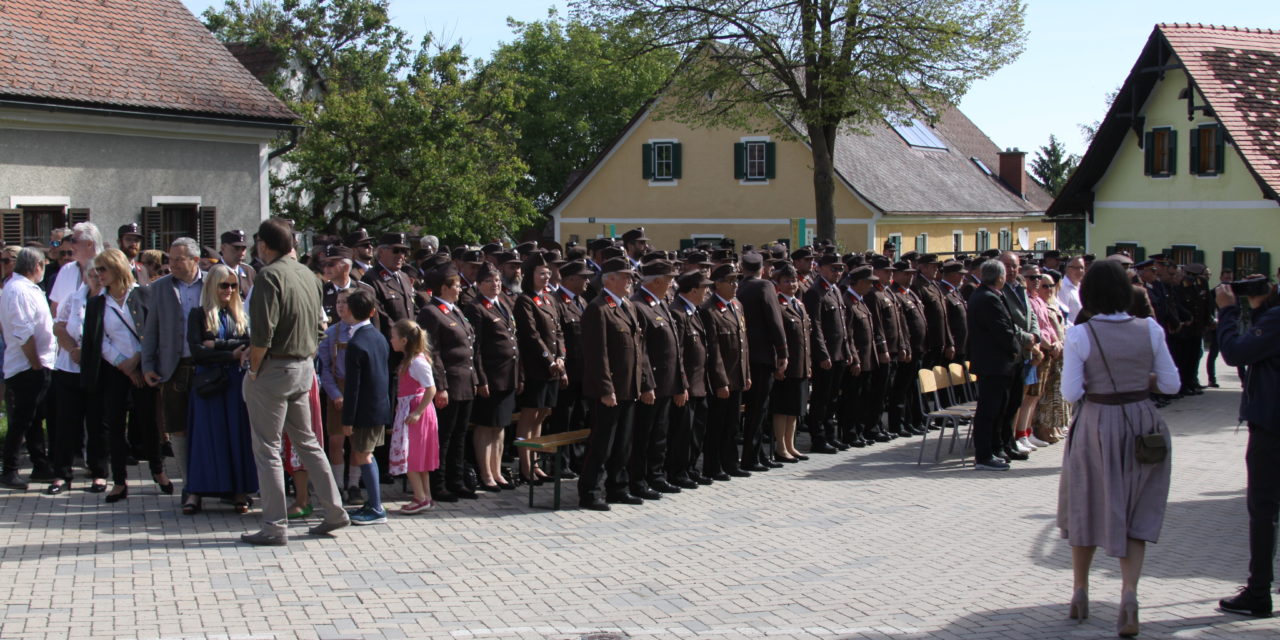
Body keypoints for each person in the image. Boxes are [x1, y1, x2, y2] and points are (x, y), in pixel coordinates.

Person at [1057, 258, 1180, 637]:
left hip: (1097, 421)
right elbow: (1172, 385)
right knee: (1135, 507)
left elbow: (1071, 392)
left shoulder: (1081, 335)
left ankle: (1080, 591)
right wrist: (1142, 378)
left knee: (1086, 502)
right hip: (1142, 421)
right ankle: (1129, 593)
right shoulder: (1150, 329)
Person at [241, 219, 349, 546]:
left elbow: (262, 334)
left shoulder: (269, 276)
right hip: (303, 367)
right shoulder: (308, 276)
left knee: (268, 448)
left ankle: (274, 525)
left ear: (264, 245)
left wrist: (254, 370)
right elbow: (321, 327)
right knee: (308, 443)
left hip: (274, 367)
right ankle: (334, 510)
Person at [1215, 275, 1280, 618]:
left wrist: (1227, 312)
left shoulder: (1276, 319)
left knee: (1263, 510)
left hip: (1272, 425)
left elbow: (1234, 353)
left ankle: (1258, 592)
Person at [93, 249, 171, 501]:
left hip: (143, 366)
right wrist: (122, 365)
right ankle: (119, 481)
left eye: (103, 269)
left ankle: (158, 471)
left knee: (148, 422)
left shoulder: (142, 294)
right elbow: (97, 339)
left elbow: (153, 330)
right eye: (97, 270)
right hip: (115, 371)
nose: (99, 275)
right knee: (114, 425)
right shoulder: (97, 302)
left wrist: (137, 360)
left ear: (117, 269)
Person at [577, 257, 652, 511]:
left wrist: (644, 383)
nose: (630, 281)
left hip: (628, 387)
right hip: (608, 391)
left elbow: (639, 349)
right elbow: (598, 355)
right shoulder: (598, 308)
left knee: (623, 442)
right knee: (602, 443)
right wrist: (606, 388)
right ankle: (590, 491)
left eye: (630, 276)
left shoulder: (628, 306)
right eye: (625, 276)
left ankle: (618, 487)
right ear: (609, 279)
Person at [183, 264, 257, 514]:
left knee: (236, 436)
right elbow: (197, 351)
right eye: (223, 285)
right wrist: (229, 354)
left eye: (233, 285)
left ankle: (239, 490)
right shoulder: (198, 314)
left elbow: (249, 342)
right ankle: (195, 492)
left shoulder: (241, 315)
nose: (229, 290)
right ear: (212, 286)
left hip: (235, 383)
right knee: (205, 438)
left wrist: (216, 344)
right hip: (209, 384)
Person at [142, 237, 205, 492]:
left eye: (179, 259)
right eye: (170, 259)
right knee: (178, 428)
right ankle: (189, 484)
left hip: (206, 366)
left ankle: (212, 481)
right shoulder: (160, 287)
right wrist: (147, 364)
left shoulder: (213, 281)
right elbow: (151, 329)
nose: (173, 264)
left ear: (195, 260)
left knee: (207, 426)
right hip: (173, 366)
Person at [416, 267, 479, 501]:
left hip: (464, 381)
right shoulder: (431, 312)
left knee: (460, 435)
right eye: (456, 285)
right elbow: (433, 352)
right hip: (449, 383)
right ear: (444, 287)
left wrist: (475, 379)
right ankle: (438, 483)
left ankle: (456, 480)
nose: (460, 288)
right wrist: (440, 386)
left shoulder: (456, 311)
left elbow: (470, 346)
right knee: (444, 436)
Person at [46, 260, 108, 494]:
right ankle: (62, 474)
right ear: (85, 276)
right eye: (92, 273)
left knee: (97, 423)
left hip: (98, 369)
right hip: (69, 368)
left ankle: (99, 472)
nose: (96, 277)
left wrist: (89, 352)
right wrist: (72, 349)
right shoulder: (74, 298)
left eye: (100, 273)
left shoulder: (108, 300)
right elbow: (59, 327)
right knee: (66, 423)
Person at [0, 247, 56, 490]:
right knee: (22, 420)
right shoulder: (18, 290)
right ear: (37, 266)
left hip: (35, 363)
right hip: (26, 365)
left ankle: (40, 464)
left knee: (33, 419)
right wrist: (35, 364)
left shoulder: (25, 288)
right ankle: (9, 469)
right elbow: (23, 333)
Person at [629, 258, 685, 498]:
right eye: (670, 280)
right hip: (650, 384)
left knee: (660, 434)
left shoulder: (660, 303)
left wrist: (679, 382)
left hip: (666, 382)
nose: (672, 285)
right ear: (657, 281)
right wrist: (646, 384)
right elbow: (640, 351)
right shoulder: (638, 305)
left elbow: (675, 346)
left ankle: (656, 475)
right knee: (643, 435)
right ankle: (638, 480)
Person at [338, 288, 392, 525]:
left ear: (348, 309)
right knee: (367, 454)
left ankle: (376, 506)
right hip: (378, 406)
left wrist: (347, 419)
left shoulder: (356, 343)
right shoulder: (378, 337)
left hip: (363, 410)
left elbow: (353, 387)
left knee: (363, 454)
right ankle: (373, 502)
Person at [512, 253, 566, 485]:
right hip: (536, 366)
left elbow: (559, 331)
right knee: (530, 414)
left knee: (543, 414)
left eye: (547, 273)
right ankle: (525, 466)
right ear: (530, 275)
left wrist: (562, 357)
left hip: (553, 368)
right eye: (540, 273)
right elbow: (531, 336)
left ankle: (535, 463)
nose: (546, 277)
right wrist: (549, 359)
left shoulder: (550, 299)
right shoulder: (525, 300)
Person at [467, 263, 520, 491]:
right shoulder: (476, 308)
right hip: (490, 375)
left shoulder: (504, 304)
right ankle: (486, 473)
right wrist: (481, 379)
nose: (495, 285)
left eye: (497, 281)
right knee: (485, 426)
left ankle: (497, 471)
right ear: (479, 285)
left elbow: (514, 340)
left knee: (500, 427)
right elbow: (475, 348)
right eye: (489, 281)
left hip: (508, 375)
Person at [966, 260, 1023, 471]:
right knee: (988, 410)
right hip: (993, 363)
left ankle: (995, 447)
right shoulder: (986, 298)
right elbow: (1002, 331)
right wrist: (1016, 347)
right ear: (999, 277)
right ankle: (983, 455)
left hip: (999, 364)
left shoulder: (990, 295)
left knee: (1000, 407)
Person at [736, 251, 788, 471]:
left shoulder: (739, 287)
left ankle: (757, 455)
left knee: (752, 410)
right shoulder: (764, 286)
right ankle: (752, 456)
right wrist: (783, 352)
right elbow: (774, 321)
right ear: (763, 269)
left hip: (745, 356)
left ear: (742, 267)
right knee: (759, 410)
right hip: (762, 356)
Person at [702, 263, 751, 481]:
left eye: (736, 280)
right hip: (721, 380)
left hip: (737, 375)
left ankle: (731, 462)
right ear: (717, 284)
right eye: (730, 281)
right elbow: (713, 350)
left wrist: (746, 372)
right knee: (717, 426)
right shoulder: (709, 310)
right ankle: (713, 466)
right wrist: (721, 381)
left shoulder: (737, 305)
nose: (735, 285)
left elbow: (743, 344)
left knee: (732, 425)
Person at [387, 319, 439, 515]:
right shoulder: (411, 360)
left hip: (416, 412)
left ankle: (420, 497)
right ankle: (425, 495)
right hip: (410, 409)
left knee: (411, 455)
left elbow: (431, 388)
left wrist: (417, 412)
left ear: (404, 340)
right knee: (418, 457)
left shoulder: (417, 362)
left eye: (393, 337)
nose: (391, 340)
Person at [667, 270, 713, 489]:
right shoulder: (677, 312)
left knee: (697, 431)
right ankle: (678, 471)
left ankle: (692, 468)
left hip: (699, 383)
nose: (708, 292)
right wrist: (682, 384)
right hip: (687, 385)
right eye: (704, 288)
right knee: (682, 432)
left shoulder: (694, 311)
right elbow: (679, 353)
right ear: (693, 290)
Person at [802, 254, 850, 453]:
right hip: (826, 355)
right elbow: (816, 325)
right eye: (833, 268)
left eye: (839, 269)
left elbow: (843, 326)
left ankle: (830, 435)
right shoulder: (815, 292)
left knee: (832, 399)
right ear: (820, 268)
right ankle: (819, 438)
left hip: (838, 352)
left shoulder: (836, 290)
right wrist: (822, 355)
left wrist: (846, 351)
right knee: (821, 400)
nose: (837, 273)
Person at [770, 263, 811, 462]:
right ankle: (781, 446)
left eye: (794, 280)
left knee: (795, 408)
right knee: (782, 407)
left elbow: (805, 337)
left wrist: (808, 363)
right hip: (786, 365)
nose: (792, 284)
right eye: (787, 281)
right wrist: (778, 362)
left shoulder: (799, 304)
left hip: (800, 364)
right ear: (778, 284)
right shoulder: (778, 305)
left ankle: (790, 444)